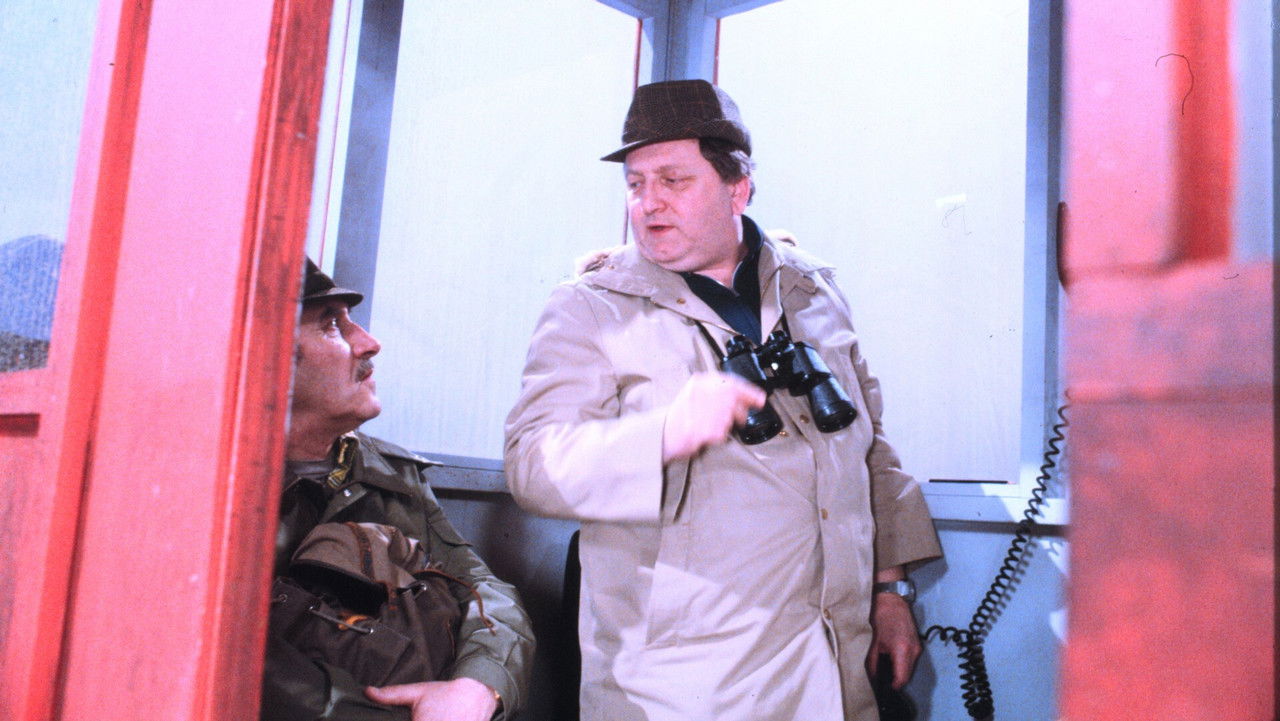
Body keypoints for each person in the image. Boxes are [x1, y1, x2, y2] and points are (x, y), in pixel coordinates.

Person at [504, 79, 942, 721]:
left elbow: (867, 447)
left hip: (832, 663)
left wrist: (890, 590)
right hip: (684, 689)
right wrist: (661, 434)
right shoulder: (589, 308)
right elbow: (532, 465)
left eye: (673, 180)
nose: (648, 202)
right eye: (635, 183)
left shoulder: (812, 290)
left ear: (737, 188)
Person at [261, 259, 534, 721]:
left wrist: (477, 686)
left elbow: (483, 592)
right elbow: (252, 666)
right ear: (270, 357)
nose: (369, 343)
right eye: (331, 325)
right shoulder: (221, 490)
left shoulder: (390, 471)